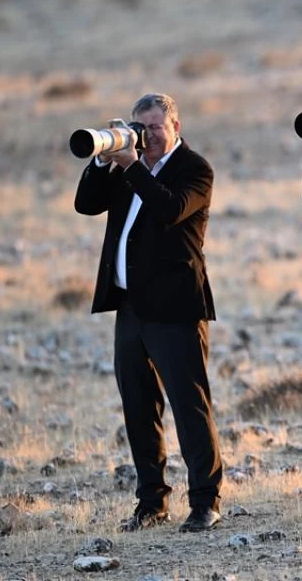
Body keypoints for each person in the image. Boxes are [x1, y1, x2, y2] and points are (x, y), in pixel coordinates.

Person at [74, 93, 224, 533]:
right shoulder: (127, 170)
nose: (149, 135)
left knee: (189, 406)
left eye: (156, 126)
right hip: (131, 307)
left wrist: (131, 164)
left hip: (176, 308)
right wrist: (106, 160)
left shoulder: (195, 169)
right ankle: (152, 502)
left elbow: (169, 209)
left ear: (176, 125)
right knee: (139, 408)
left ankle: (205, 502)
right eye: (142, 127)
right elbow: (86, 203)